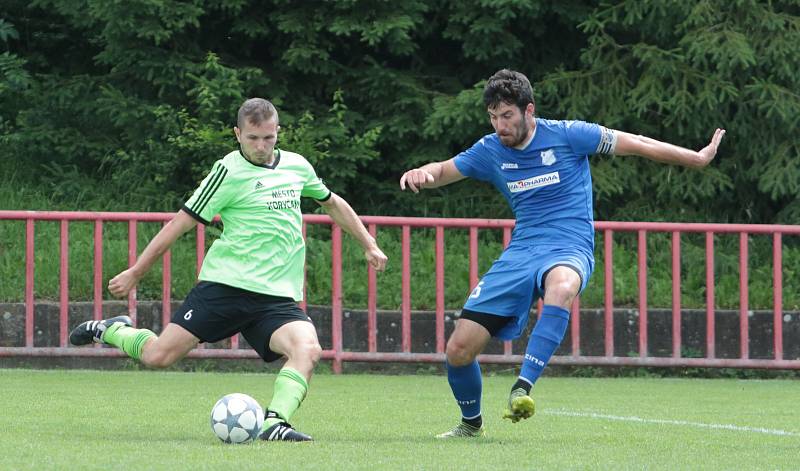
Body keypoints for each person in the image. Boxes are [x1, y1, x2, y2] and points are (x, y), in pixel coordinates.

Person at [400, 69, 725, 438]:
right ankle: (470, 424)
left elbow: (636, 142)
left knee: (563, 285)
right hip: (521, 252)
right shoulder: (490, 149)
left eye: (507, 116)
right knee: (458, 350)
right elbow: (443, 170)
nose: (500, 125)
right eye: (493, 117)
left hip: (569, 245)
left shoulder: (570, 135)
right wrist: (422, 173)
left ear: (529, 110)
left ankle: (523, 385)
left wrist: (696, 158)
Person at [70, 98, 388, 442]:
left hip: (276, 297)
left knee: (308, 350)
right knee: (158, 356)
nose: (261, 146)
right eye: (252, 138)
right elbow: (179, 225)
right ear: (237, 134)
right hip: (226, 286)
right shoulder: (227, 171)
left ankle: (274, 423)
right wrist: (137, 271)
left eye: (268, 137)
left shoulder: (297, 166)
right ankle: (111, 330)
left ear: (278, 131)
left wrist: (369, 244)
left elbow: (332, 202)